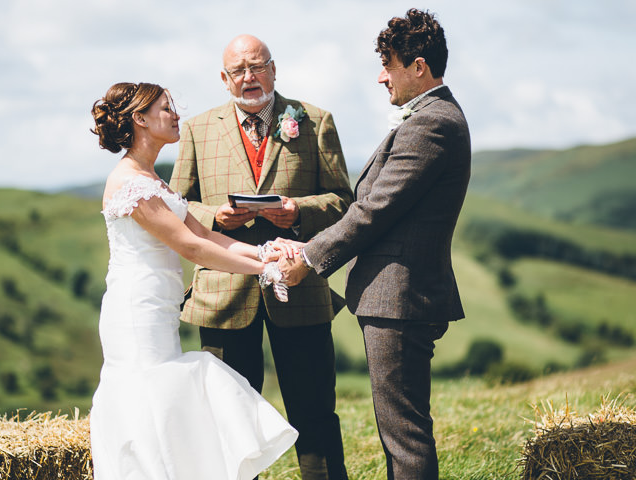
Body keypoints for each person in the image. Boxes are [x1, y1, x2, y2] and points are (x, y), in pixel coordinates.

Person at [277, 9, 471, 480]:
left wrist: (307, 255)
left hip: (399, 298)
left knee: (403, 436)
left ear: (418, 67)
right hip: (394, 298)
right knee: (399, 430)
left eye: (389, 64)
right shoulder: (428, 118)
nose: (381, 76)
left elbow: (374, 209)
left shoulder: (433, 123)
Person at [88, 82, 298, 480]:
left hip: (157, 307)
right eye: (167, 108)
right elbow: (191, 249)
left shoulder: (153, 179)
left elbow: (208, 237)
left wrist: (264, 251)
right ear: (140, 119)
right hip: (136, 311)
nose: (177, 114)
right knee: (148, 402)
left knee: (163, 402)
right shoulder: (129, 182)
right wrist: (263, 271)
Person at [170, 34, 353, 480]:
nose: (249, 78)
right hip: (223, 294)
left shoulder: (314, 120)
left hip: (300, 286)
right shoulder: (197, 128)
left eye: (258, 66)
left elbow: (344, 202)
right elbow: (176, 205)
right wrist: (217, 215)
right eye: (239, 70)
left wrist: (298, 211)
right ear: (224, 78)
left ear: (274, 68)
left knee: (314, 415)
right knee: (226, 422)